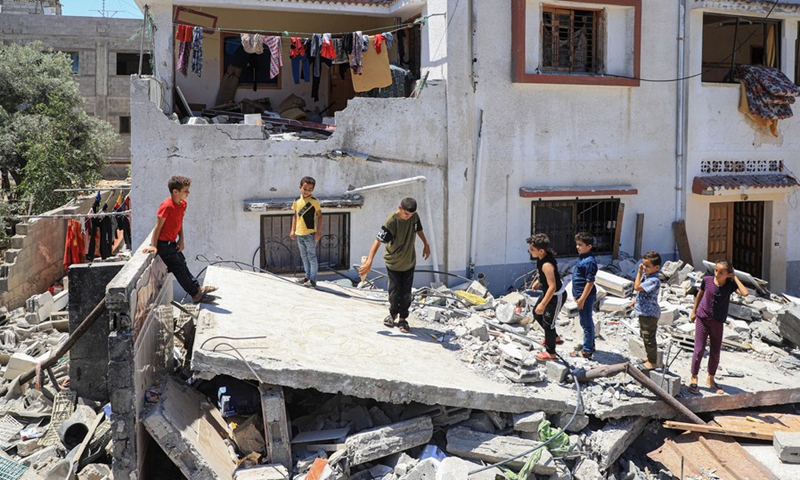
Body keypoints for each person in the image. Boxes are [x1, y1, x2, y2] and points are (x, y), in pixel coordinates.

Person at [358, 197, 430, 333]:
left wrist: (426, 244)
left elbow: (418, 229)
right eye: (406, 214)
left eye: (411, 215)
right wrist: (369, 262)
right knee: (394, 290)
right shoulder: (391, 221)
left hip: (409, 261)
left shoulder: (414, 217)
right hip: (393, 263)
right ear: (400, 208)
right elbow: (377, 241)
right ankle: (392, 314)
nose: (408, 217)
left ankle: (403, 319)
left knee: (406, 292)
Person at [143, 175, 216, 303]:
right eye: (186, 191)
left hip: (172, 242)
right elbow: (157, 227)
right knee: (179, 269)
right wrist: (154, 246)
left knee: (182, 263)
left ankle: (198, 288)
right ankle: (196, 294)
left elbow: (179, 222)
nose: (188, 193)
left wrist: (181, 239)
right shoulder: (166, 206)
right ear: (175, 192)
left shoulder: (182, 204)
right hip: (164, 244)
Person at [688, 260, 748, 394]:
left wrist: (734, 277)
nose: (717, 274)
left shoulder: (730, 285)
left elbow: (745, 293)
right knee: (699, 350)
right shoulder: (707, 280)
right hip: (702, 318)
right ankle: (694, 378)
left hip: (718, 322)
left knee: (715, 352)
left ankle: (711, 378)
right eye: (716, 270)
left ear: (728, 274)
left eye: (721, 272)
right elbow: (700, 294)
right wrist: (693, 311)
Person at [528, 234, 567, 361]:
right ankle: (554, 337)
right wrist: (539, 281)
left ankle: (551, 353)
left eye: (532, 249)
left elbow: (552, 287)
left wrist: (543, 304)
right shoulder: (541, 257)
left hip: (555, 296)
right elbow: (544, 275)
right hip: (548, 293)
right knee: (537, 314)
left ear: (541, 250)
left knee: (548, 323)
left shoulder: (547, 264)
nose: (529, 251)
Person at [631, 251, 662, 370]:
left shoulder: (654, 280)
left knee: (649, 337)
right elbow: (640, 292)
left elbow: (637, 287)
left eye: (647, 266)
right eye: (643, 265)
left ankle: (653, 362)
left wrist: (638, 272)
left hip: (649, 313)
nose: (644, 268)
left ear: (656, 267)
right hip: (643, 311)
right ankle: (649, 356)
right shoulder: (648, 276)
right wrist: (635, 300)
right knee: (644, 335)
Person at [290, 176, 323, 287]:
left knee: (311, 257)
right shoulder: (296, 200)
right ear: (300, 187)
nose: (307, 191)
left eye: (310, 189)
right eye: (305, 189)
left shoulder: (314, 201)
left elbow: (320, 216)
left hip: (310, 234)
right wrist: (292, 230)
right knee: (304, 256)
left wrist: (318, 232)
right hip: (299, 234)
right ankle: (307, 277)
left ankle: (313, 280)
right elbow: (295, 215)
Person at [570, 232, 597, 359]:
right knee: (584, 321)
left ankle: (587, 351)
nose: (577, 247)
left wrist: (582, 299)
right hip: (580, 295)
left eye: (580, 245)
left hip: (585, 296)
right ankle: (590, 344)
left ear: (589, 246)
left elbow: (590, 282)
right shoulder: (583, 258)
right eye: (577, 245)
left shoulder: (590, 261)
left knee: (586, 322)